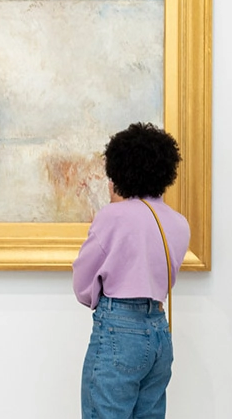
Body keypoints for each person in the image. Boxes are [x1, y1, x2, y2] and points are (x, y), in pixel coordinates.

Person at [73, 122, 191, 419]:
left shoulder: (112, 216)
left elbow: (82, 284)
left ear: (119, 171)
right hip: (159, 333)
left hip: (118, 330)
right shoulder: (178, 223)